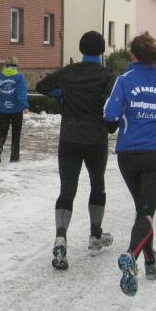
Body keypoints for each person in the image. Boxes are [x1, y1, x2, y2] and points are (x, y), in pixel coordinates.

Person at [103, 32, 156, 296]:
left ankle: (150, 261)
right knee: (146, 210)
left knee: (143, 209)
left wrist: (131, 110)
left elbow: (109, 114)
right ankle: (132, 254)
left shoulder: (124, 80)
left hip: (128, 154)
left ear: (132, 55)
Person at [36, 31, 117, 271]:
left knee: (67, 189)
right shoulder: (108, 76)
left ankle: (61, 238)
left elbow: (41, 86)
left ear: (81, 49)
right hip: (96, 139)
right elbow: (113, 103)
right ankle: (95, 235)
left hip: (69, 139)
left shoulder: (68, 72)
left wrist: (63, 95)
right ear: (102, 51)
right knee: (97, 184)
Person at [0, 56, 29, 163]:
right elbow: (21, 93)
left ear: (6, 65)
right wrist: (25, 105)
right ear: (16, 65)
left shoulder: (0, 76)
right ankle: (14, 156)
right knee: (16, 134)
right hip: (16, 110)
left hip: (2, 109)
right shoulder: (19, 77)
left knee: (2, 132)